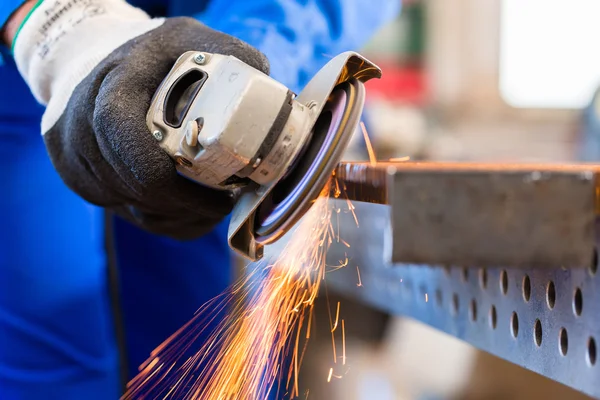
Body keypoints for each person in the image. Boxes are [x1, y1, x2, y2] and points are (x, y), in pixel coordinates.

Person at [0, 0, 400, 398]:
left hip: (199, 46)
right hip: (17, 70)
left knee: (186, 364)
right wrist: (51, 24)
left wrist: (236, 68)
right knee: (51, 357)